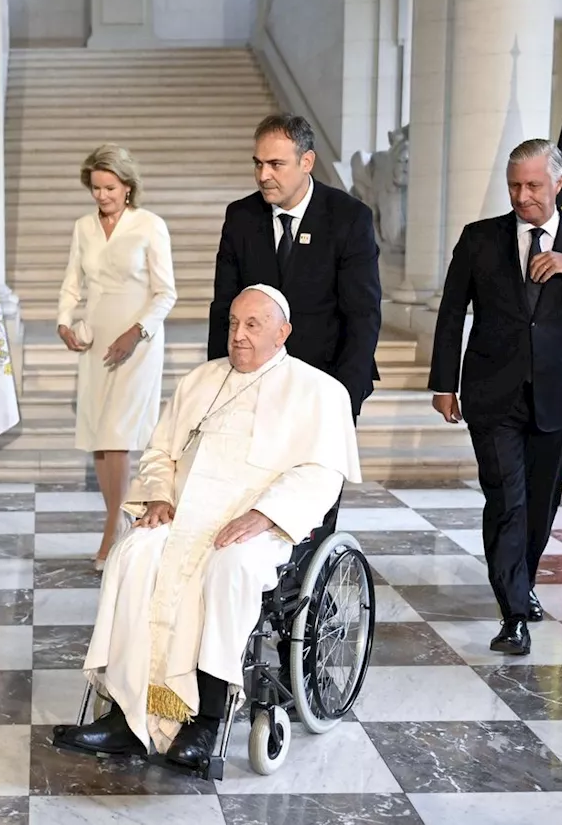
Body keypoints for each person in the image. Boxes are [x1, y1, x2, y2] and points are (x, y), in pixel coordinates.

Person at [53, 285, 360, 772]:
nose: (238, 336)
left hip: (259, 528)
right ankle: (126, 717)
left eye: (253, 326)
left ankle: (207, 720)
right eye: (234, 323)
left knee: (230, 566)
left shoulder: (318, 391)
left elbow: (321, 474)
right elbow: (160, 453)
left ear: (283, 333)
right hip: (182, 515)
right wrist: (158, 496)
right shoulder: (200, 380)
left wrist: (266, 515)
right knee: (134, 554)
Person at [429, 139, 562, 655]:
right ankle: (513, 611)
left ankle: (526, 582)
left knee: (540, 505)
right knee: (506, 501)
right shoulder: (479, 238)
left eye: (533, 186)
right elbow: (452, 312)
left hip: (557, 394)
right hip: (491, 393)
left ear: (558, 184)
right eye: (515, 185)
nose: (523, 196)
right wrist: (443, 383)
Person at [207, 113, 381, 419]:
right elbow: (224, 308)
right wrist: (221, 383)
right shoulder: (241, 217)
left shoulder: (349, 217)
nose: (263, 175)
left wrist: (346, 398)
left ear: (307, 162)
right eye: (258, 163)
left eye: (276, 164)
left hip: (326, 383)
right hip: (254, 387)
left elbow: (362, 315)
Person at [57, 144, 177, 570]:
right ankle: (117, 519)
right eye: (95, 188)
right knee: (98, 434)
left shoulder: (150, 226)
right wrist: (64, 323)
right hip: (96, 341)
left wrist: (135, 332)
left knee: (120, 434)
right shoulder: (83, 228)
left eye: (109, 187)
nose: (101, 196)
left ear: (128, 187)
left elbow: (166, 293)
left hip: (137, 342)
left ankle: (113, 526)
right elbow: (72, 284)